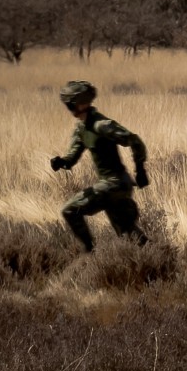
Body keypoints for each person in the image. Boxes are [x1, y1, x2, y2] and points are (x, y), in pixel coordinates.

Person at [49, 78, 149, 251]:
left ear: (78, 104)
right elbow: (71, 158)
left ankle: (90, 252)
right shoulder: (81, 128)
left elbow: (134, 140)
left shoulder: (101, 125)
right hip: (112, 186)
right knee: (128, 236)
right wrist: (61, 162)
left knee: (69, 210)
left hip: (115, 184)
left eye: (70, 104)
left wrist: (140, 170)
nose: (69, 108)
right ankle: (156, 258)